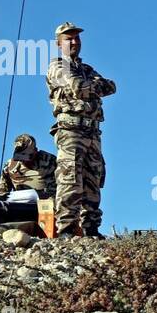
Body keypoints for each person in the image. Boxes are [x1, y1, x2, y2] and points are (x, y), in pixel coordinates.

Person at [45, 21, 116, 238]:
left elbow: (111, 86)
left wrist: (90, 87)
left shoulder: (86, 69)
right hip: (71, 130)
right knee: (70, 177)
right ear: (59, 44)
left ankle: (91, 227)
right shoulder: (58, 66)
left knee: (93, 177)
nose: (74, 42)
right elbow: (77, 86)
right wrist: (93, 87)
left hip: (92, 131)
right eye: (69, 39)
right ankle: (67, 228)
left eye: (76, 38)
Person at [0, 133, 57, 200]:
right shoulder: (10, 165)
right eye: (20, 158)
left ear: (35, 151)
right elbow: (1, 190)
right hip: (19, 203)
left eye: (28, 157)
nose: (24, 161)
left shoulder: (49, 161)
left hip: (46, 203)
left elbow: (59, 188)